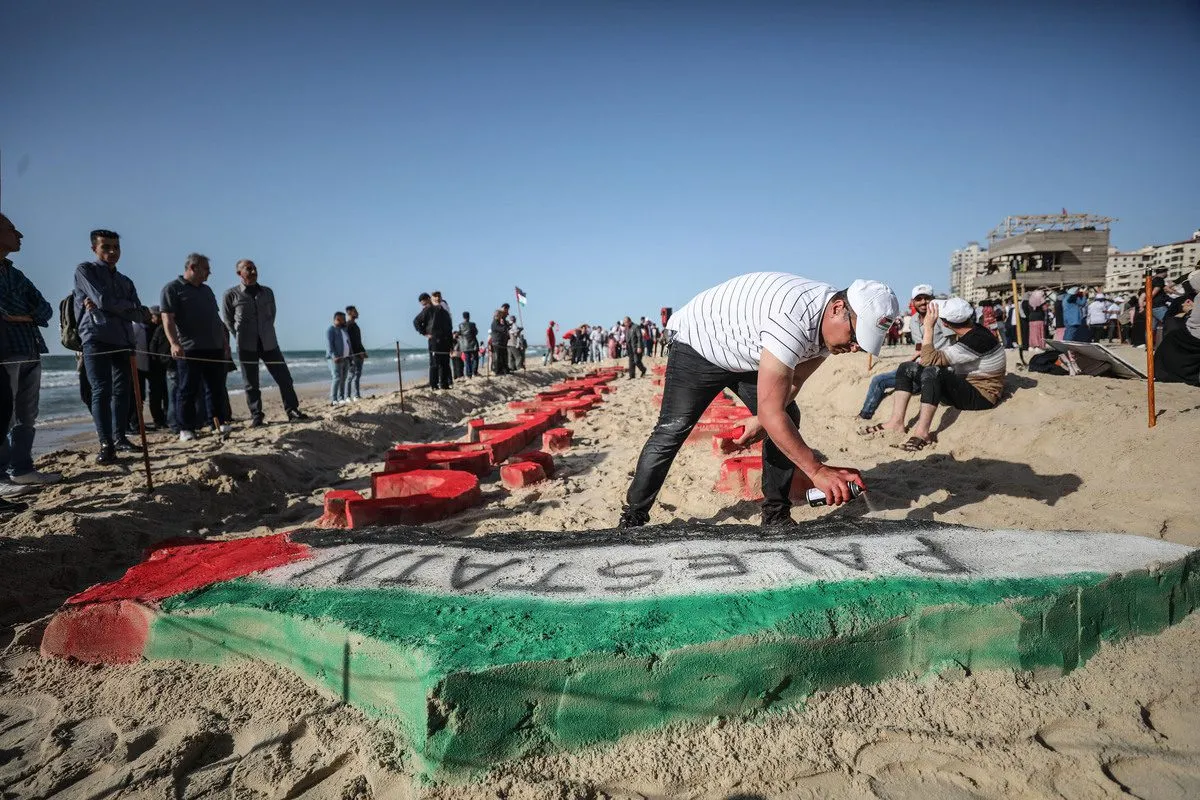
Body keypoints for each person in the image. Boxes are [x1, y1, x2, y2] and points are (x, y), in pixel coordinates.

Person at [620, 272, 898, 528]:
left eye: (861, 343)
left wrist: (760, 420)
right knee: (673, 429)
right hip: (698, 343)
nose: (854, 347)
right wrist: (816, 470)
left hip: (746, 350)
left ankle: (776, 514)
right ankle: (633, 515)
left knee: (787, 416)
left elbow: (794, 383)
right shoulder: (793, 317)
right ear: (837, 308)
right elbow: (772, 410)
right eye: (855, 336)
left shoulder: (828, 330)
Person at [879, 297, 1007, 452]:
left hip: (982, 396)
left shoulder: (976, 340)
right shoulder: (975, 330)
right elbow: (939, 357)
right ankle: (896, 422)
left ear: (945, 323)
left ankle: (922, 433)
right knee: (906, 367)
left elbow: (928, 360)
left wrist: (928, 327)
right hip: (966, 385)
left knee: (934, 372)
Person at [74, 229, 147, 464]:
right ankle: (106, 444)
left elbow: (139, 313)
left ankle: (120, 437)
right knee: (101, 390)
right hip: (95, 337)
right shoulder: (85, 270)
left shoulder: (126, 281)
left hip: (124, 339)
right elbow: (102, 299)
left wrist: (114, 306)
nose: (112, 252)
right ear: (94, 248)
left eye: (116, 247)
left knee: (123, 391)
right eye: (106, 247)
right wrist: (123, 306)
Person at [0, 214, 60, 486]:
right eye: (12, 229)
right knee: (4, 416)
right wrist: (23, 314)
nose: (20, 235)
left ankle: (22, 468)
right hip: (5, 351)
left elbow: (45, 308)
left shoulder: (15, 273)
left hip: (31, 347)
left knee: (27, 414)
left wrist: (20, 316)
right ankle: (2, 476)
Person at [222, 259, 307, 426]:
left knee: (285, 378)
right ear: (239, 273)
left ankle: (292, 410)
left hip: (269, 343)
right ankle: (256, 416)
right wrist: (239, 335)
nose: (253, 272)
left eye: (254, 268)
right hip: (246, 345)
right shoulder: (230, 294)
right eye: (249, 269)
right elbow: (228, 321)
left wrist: (264, 331)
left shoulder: (267, 292)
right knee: (251, 384)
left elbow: (271, 315)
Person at [161, 253, 231, 441]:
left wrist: (224, 343)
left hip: (214, 347)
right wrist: (174, 343)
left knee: (216, 389)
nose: (209, 273)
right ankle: (186, 428)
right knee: (188, 390)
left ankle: (217, 422)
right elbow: (167, 318)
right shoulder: (172, 288)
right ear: (193, 268)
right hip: (190, 348)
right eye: (206, 269)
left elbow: (216, 319)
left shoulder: (207, 290)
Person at [856, 284, 949, 421]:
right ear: (913, 302)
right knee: (878, 380)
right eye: (919, 299)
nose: (923, 302)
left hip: (938, 368)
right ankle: (865, 415)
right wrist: (909, 361)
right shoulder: (914, 320)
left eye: (927, 298)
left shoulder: (941, 317)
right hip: (920, 366)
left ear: (933, 299)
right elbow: (919, 347)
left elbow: (954, 342)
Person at [1154, 270, 1200, 386]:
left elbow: (1195, 324)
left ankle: (1174, 374)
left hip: (1196, 338)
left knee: (1171, 337)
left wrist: (1189, 311)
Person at [414, 293, 453, 389]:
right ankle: (434, 385)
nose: (437, 299)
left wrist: (451, 344)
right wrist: (424, 333)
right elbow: (416, 321)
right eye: (435, 298)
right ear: (431, 299)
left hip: (445, 341)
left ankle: (444, 384)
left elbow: (449, 328)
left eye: (439, 298)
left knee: (445, 364)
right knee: (435, 364)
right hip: (435, 341)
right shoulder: (428, 310)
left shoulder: (445, 313)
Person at [326, 311, 351, 404]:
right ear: (337, 319)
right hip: (336, 359)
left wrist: (350, 356)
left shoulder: (343, 330)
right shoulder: (331, 330)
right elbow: (329, 345)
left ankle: (341, 398)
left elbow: (348, 343)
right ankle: (333, 399)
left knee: (343, 379)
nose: (344, 321)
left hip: (346, 358)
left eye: (344, 319)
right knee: (337, 378)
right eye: (343, 319)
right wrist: (334, 356)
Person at [344, 305, 367, 401]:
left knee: (357, 375)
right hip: (352, 355)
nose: (357, 313)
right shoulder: (347, 325)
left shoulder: (356, 326)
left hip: (359, 354)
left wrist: (363, 351)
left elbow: (358, 341)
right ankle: (347, 396)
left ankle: (357, 395)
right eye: (355, 311)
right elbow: (348, 342)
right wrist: (353, 355)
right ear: (349, 313)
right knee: (351, 376)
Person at [459, 312, 479, 377]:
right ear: (469, 317)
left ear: (463, 317)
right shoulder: (473, 324)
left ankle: (469, 374)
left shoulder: (460, 325)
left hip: (465, 345)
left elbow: (460, 333)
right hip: (473, 343)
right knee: (475, 358)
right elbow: (476, 332)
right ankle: (474, 372)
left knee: (467, 360)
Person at [490, 309, 509, 375]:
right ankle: (497, 371)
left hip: (500, 342)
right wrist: (504, 325)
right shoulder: (495, 323)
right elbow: (502, 329)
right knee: (498, 358)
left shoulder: (497, 322)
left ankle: (503, 370)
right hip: (497, 342)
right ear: (498, 315)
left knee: (503, 357)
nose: (502, 316)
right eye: (501, 315)